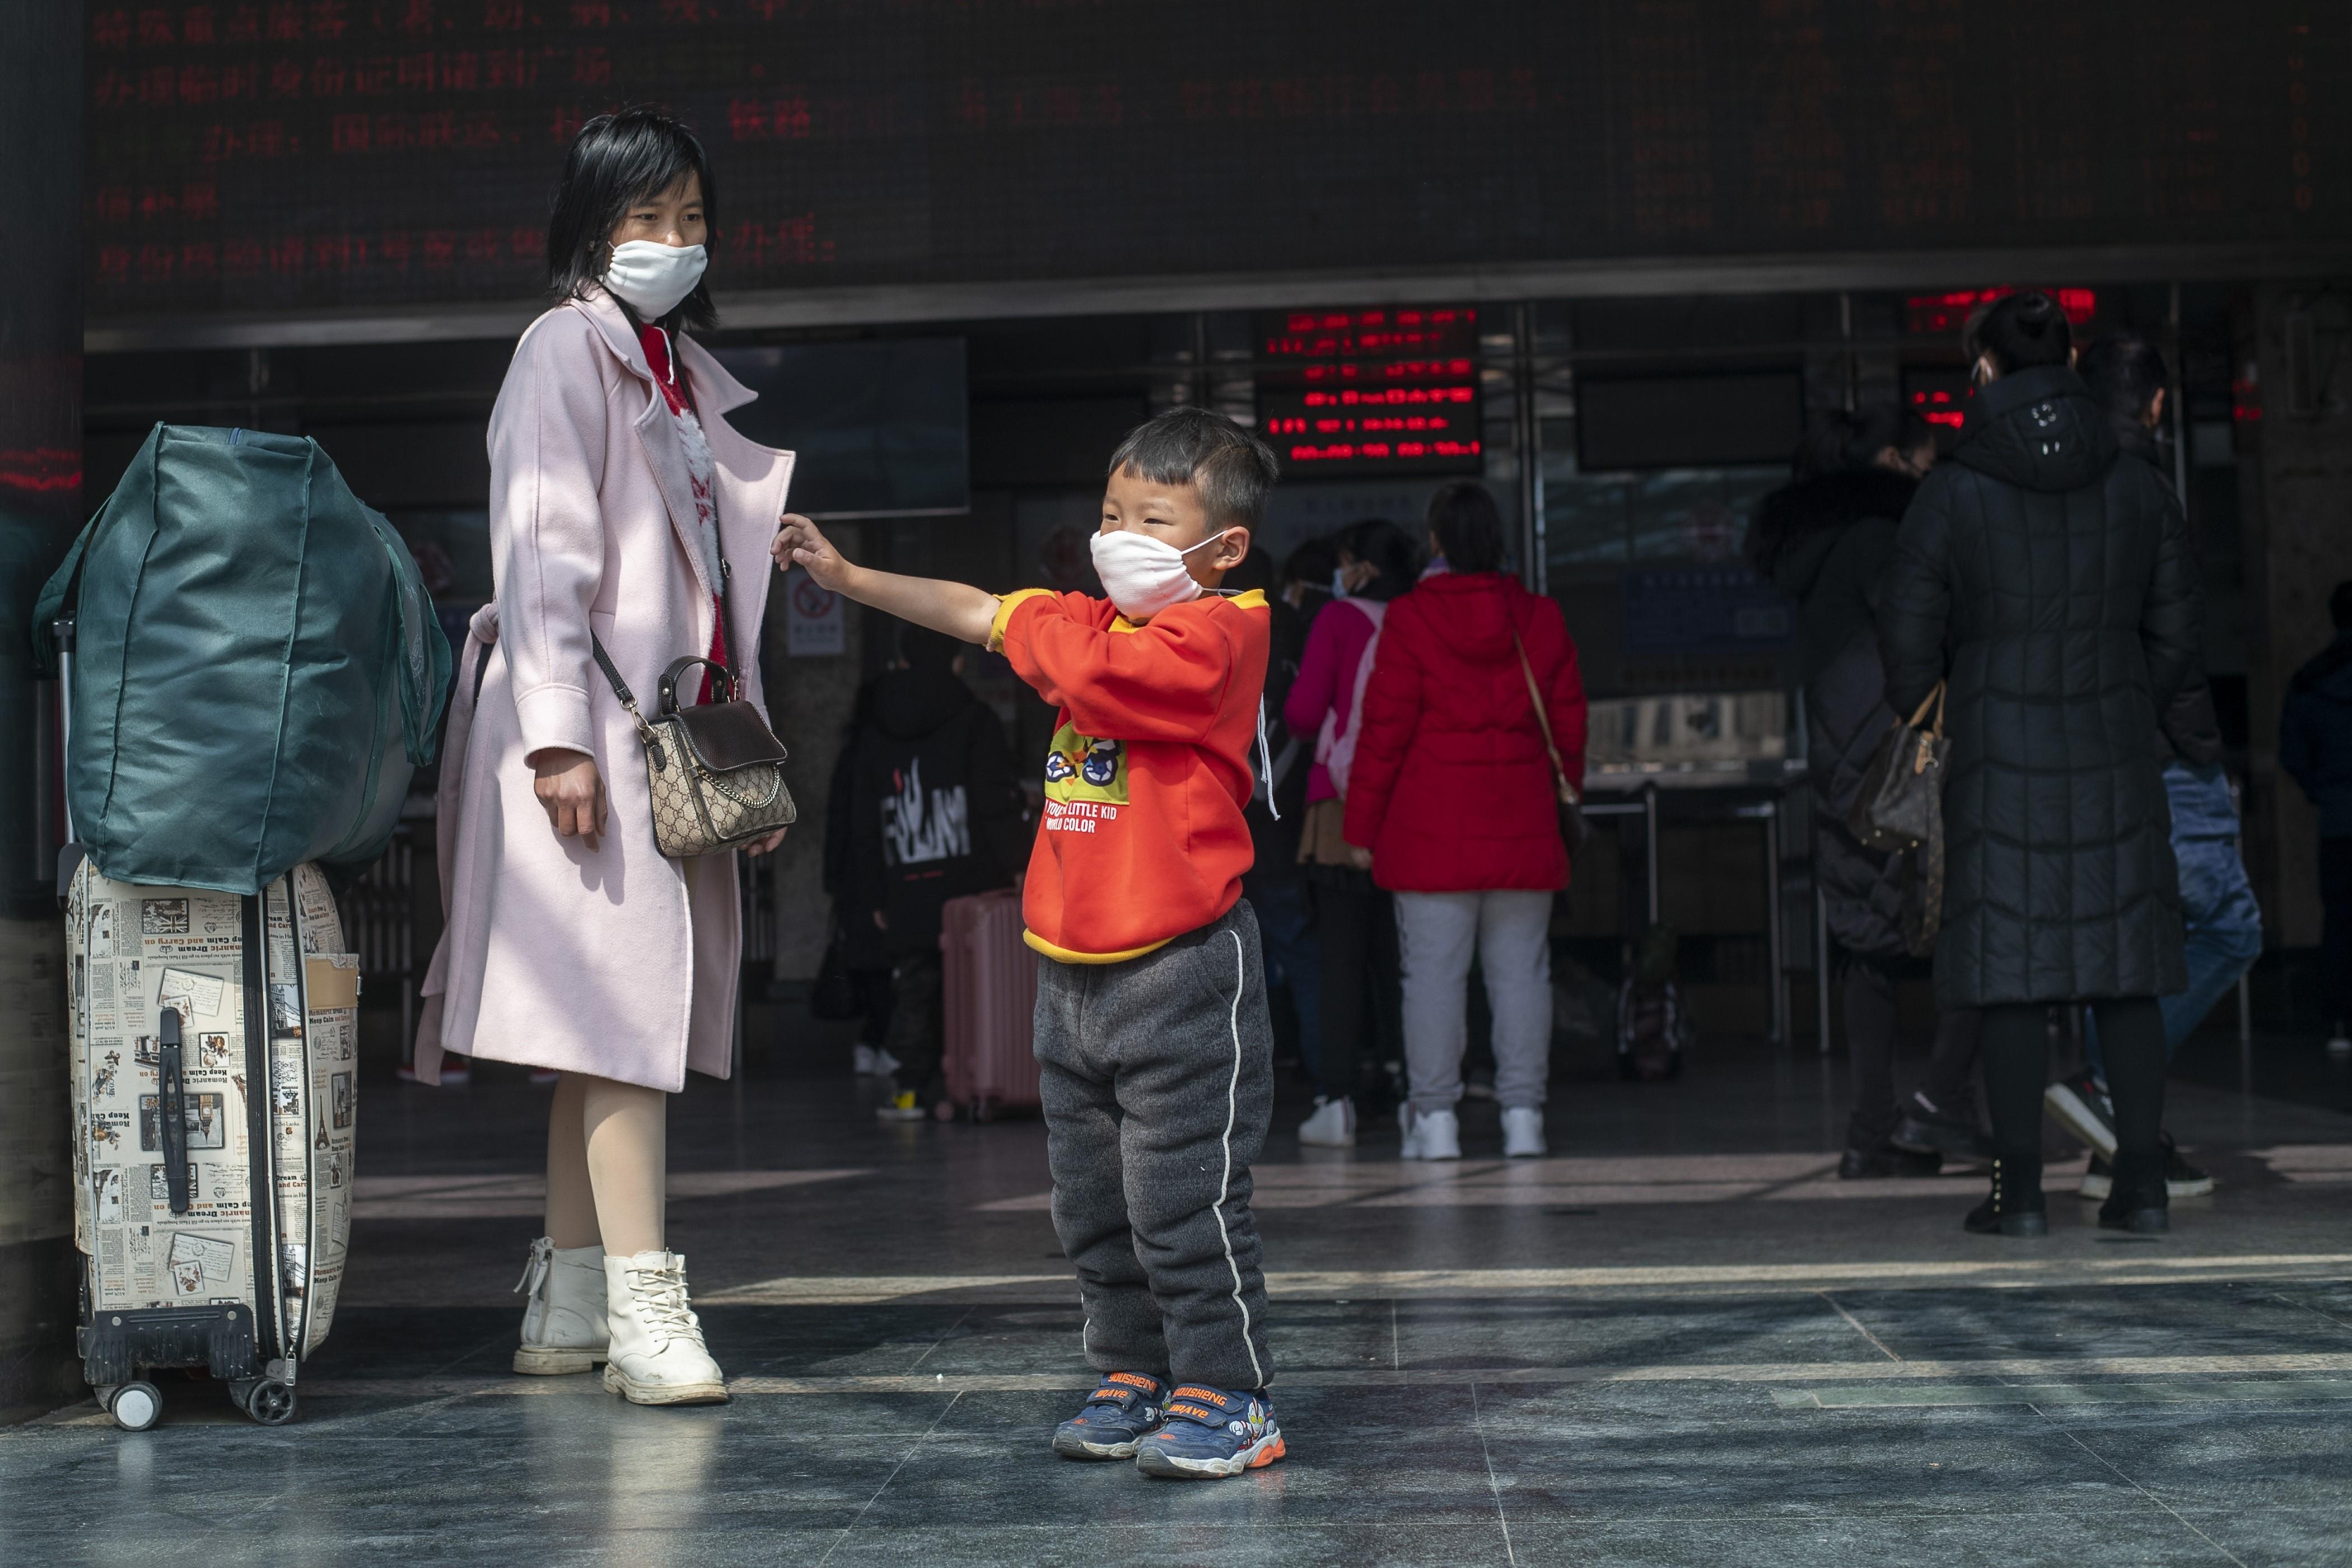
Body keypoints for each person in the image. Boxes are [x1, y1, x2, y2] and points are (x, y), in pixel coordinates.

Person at [773, 408, 1287, 1482]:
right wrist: (851, 576)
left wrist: (1039, 629)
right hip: (1072, 973)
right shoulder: (1094, 626)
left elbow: (1095, 677)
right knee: (1093, 1201)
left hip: (1184, 966)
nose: (1119, 535)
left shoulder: (1224, 630)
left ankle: (1230, 1391)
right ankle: (1134, 1368)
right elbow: (972, 608)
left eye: (1153, 519)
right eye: (1111, 514)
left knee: (1183, 1197)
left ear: (1224, 545)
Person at [414, 110, 792, 1404]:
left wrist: (746, 758)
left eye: (692, 218)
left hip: (654, 742)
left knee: (598, 1035)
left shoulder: (664, 364)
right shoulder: (565, 352)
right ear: (592, 225)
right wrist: (560, 742)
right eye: (647, 218)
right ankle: (647, 1315)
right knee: (629, 1030)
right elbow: (544, 553)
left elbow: (705, 591)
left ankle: (569, 1307)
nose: (674, 241)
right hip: (592, 743)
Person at [1879, 291, 2200, 1238]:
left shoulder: (1952, 492)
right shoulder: (2140, 484)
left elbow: (1907, 644)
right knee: (2126, 968)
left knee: (2009, 971)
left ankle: (2016, 1194)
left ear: (1983, 369)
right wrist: (2120, 701)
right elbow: (2179, 637)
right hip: (2113, 755)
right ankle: (2140, 1183)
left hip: (1997, 761)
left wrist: (1951, 698)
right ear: (2071, 357)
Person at [2051, 334, 2261, 1199]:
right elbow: (2172, 642)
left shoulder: (2050, 489)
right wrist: (2187, 745)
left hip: (2081, 756)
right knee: (2230, 926)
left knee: (2129, 945)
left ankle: (2127, 1141)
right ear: (2158, 404)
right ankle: (2111, 1089)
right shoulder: (2147, 491)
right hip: (2164, 752)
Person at [1750, 408, 1984, 1177]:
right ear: (1891, 461)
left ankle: (1870, 1133)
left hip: (1845, 757)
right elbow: (1920, 634)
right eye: (1926, 461)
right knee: (1975, 922)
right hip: (1908, 751)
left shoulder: (1817, 550)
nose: (1934, 474)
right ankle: (1939, 1104)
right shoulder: (1882, 538)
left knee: (1866, 944)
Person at [1341, 481, 1587, 1160]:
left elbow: (1383, 735)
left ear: (1438, 541)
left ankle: (1437, 1119)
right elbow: (1569, 725)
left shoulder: (1412, 620)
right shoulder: (1538, 617)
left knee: (1431, 980)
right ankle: (1523, 1117)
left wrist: (1360, 829)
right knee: (1521, 976)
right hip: (1524, 830)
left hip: (1429, 837)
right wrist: (1566, 787)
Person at [830, 623, 1026, 1121]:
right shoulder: (976, 720)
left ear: (902, 662)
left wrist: (874, 893)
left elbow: (864, 824)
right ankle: (977, 1085)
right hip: (972, 885)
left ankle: (910, 1093)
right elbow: (994, 803)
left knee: (914, 990)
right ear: (957, 663)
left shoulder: (875, 732)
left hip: (906, 885)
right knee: (976, 987)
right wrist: (1016, 865)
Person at [1284, 518, 1420, 1147]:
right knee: (1407, 957)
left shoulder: (1336, 622)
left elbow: (1305, 713)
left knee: (1340, 955)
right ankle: (1413, 1091)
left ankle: (1336, 1098)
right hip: (1410, 801)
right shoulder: (1420, 618)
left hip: (1339, 806)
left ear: (1358, 565)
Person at [1226, 547, 1322, 1084]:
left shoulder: (1221, 626)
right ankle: (1321, 1075)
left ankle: (1244, 1079)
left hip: (1235, 810)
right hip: (1290, 809)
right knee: (1298, 943)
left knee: (1231, 952)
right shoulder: (1297, 627)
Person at [2280, 580, 2352, 1057]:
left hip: (2339, 819)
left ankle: (2341, 1021)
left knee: (2341, 922)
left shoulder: (2311, 679)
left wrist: (2321, 791)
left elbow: (2293, 753)